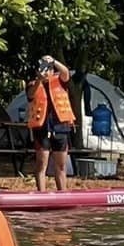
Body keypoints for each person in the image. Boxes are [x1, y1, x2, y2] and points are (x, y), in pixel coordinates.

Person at [25, 55, 75, 192]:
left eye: (48, 69)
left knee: (61, 165)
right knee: (42, 164)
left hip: (60, 127)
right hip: (42, 128)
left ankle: (62, 192)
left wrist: (53, 61)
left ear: (53, 71)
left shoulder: (60, 81)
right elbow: (30, 95)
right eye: (43, 69)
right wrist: (39, 80)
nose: (46, 73)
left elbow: (66, 73)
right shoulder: (32, 84)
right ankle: (42, 193)